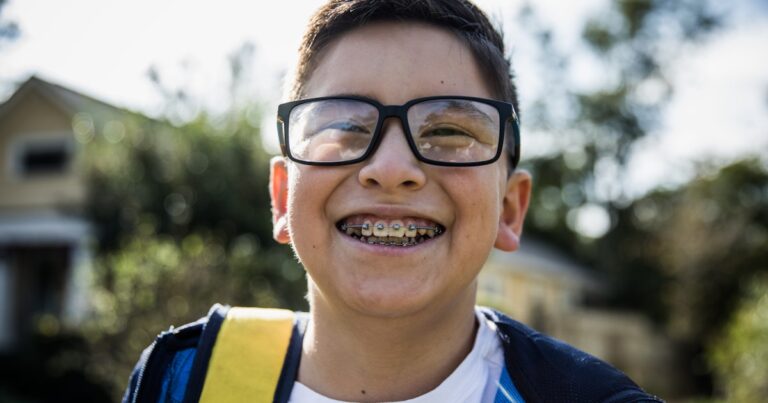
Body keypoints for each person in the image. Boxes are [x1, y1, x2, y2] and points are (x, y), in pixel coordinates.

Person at [123, 1, 663, 402]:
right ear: (283, 196)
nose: (391, 169)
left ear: (509, 209)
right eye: (344, 124)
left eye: (449, 130)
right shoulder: (181, 378)